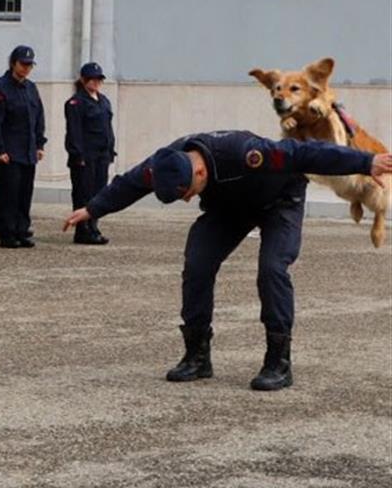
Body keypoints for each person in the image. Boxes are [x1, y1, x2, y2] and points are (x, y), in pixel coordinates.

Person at [64, 132, 392, 391]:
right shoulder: (169, 161)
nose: (188, 199)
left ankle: (278, 361)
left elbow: (304, 153)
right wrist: (93, 209)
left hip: (279, 202)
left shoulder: (247, 152)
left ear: (200, 171)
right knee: (197, 265)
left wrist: (365, 161)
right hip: (230, 209)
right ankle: (197, 356)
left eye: (187, 192)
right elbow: (132, 183)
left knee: (272, 269)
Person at [0, 45, 46, 248]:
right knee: (8, 195)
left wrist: (39, 144)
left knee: (24, 194)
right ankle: (7, 233)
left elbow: (38, 118)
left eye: (30, 65)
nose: (26, 68)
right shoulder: (0, 87)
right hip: (9, 152)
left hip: (27, 150)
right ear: (13, 63)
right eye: (23, 64)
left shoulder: (31, 88)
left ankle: (21, 230)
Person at [65, 62, 116, 245]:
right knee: (83, 194)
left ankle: (93, 226)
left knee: (98, 194)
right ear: (83, 80)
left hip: (101, 156)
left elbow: (108, 128)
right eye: (91, 79)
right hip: (85, 157)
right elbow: (74, 131)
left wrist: (110, 150)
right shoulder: (76, 103)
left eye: (98, 79)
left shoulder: (103, 101)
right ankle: (83, 230)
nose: (95, 82)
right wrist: (77, 155)